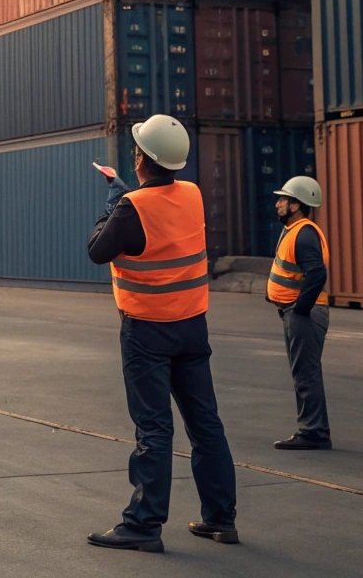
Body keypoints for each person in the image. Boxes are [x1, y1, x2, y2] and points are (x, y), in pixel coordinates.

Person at [85, 115, 238, 553]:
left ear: (140, 159)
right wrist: (127, 197)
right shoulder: (191, 194)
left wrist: (115, 198)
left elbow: (98, 249)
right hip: (191, 328)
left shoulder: (134, 207)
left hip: (147, 332)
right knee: (206, 423)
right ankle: (220, 519)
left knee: (153, 428)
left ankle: (144, 525)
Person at [267, 176, 332, 450]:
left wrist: (300, 309)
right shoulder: (294, 231)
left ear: (296, 205)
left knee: (306, 373)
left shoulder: (304, 233)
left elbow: (317, 274)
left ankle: (314, 432)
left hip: (304, 313)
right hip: (296, 311)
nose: (278, 203)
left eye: (283, 199)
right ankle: (312, 429)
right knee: (304, 372)